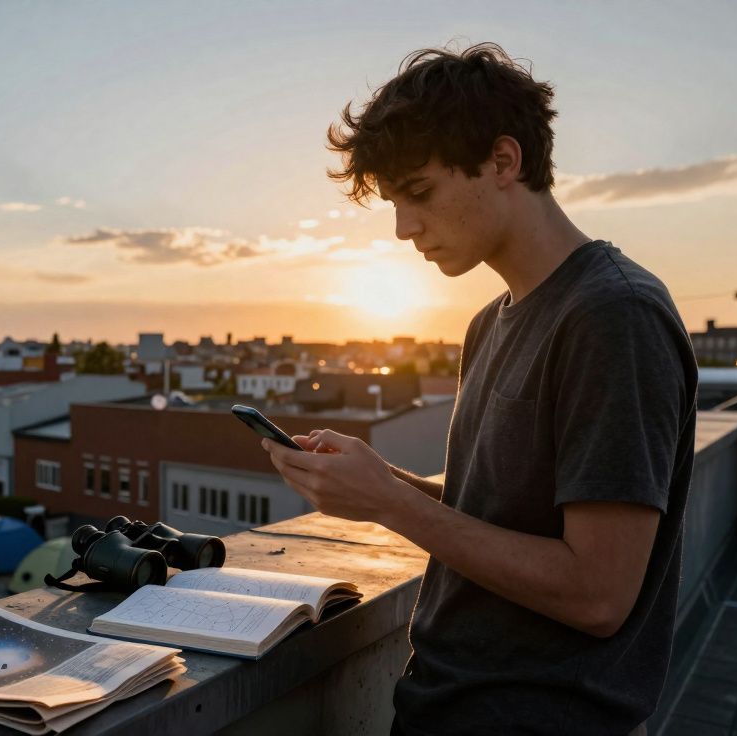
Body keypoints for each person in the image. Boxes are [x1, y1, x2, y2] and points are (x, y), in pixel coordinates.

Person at [264, 43, 696, 736]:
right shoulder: (488, 323)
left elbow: (597, 593)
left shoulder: (615, 317)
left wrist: (392, 504)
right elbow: (501, 518)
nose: (405, 229)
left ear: (503, 161)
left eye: (420, 194)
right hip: (442, 704)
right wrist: (379, 484)